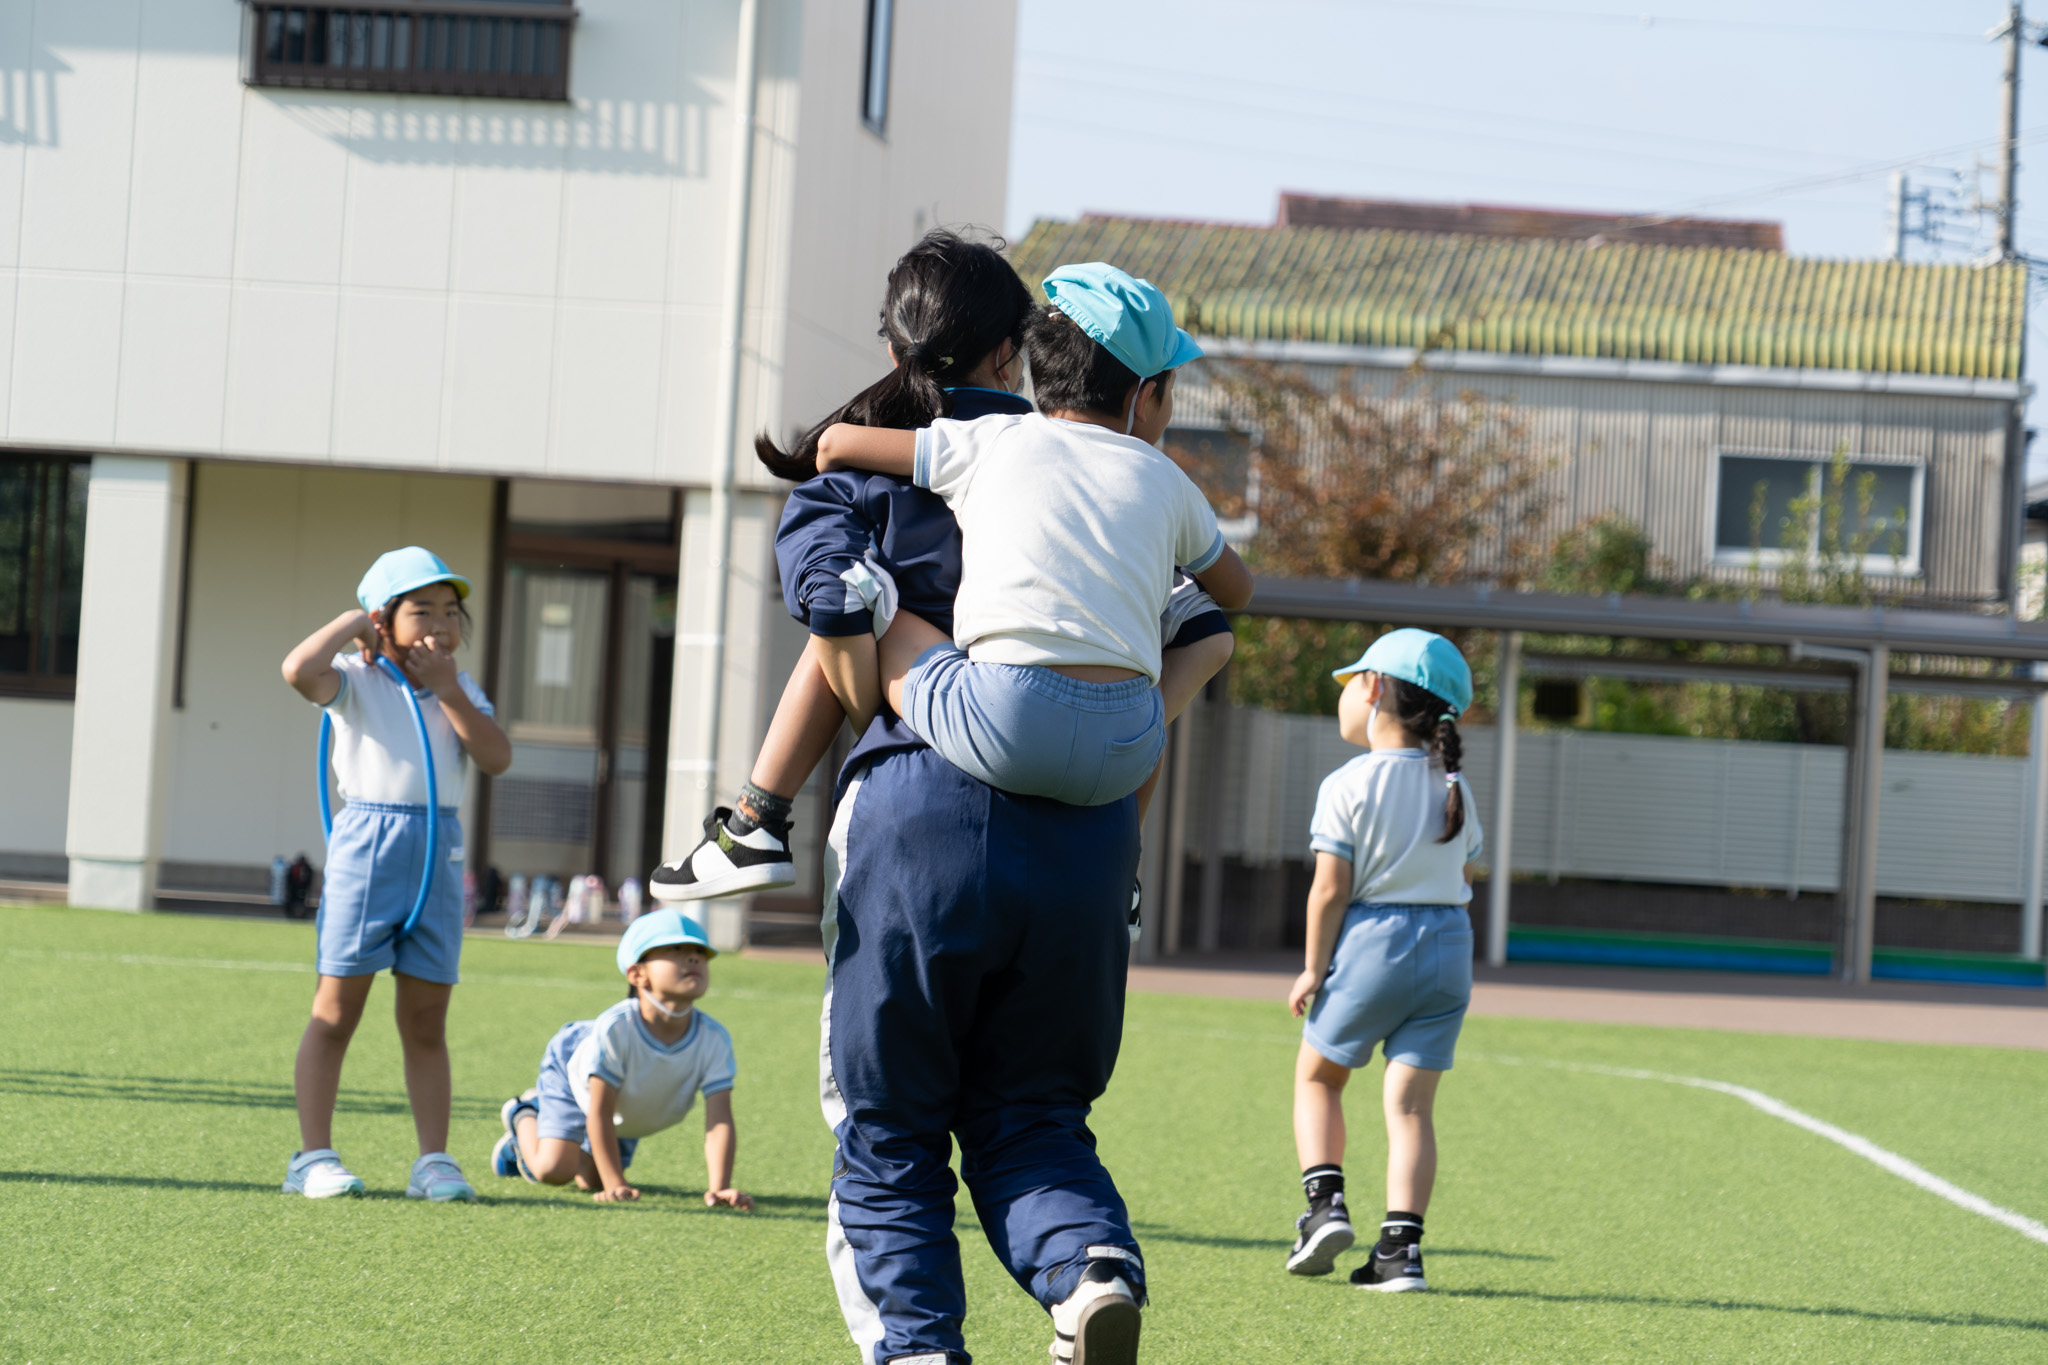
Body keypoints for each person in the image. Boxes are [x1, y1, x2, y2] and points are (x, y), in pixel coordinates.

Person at [651, 241, 1237, 905]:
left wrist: (884, 711)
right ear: (1011, 356)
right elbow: (1206, 627)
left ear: (897, 350)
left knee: (863, 597)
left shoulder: (872, 472)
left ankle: (758, 818)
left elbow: (840, 605)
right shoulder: (1103, 483)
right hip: (1086, 838)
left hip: (919, 797)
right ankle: (1124, 874)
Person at [808, 262, 1253, 809]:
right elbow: (1238, 591)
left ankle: (808, 782)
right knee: (1189, 652)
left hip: (1006, 728)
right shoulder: (1169, 481)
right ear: (1143, 397)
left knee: (877, 599)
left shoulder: (994, 439)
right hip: (1124, 754)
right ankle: (1126, 875)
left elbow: (832, 447)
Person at [278, 547, 512, 1201]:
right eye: (421, 611)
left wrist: (448, 690)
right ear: (383, 621)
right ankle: (313, 1155)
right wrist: (353, 621)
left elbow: (495, 756)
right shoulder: (354, 678)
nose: (440, 624)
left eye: (450, 611)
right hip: (369, 846)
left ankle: (432, 1160)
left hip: (438, 852)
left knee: (427, 1017)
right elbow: (298, 669)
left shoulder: (458, 690)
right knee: (335, 1010)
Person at [1282, 629, 1481, 1293]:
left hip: (1375, 942)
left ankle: (1324, 1206)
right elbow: (1465, 865)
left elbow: (1330, 889)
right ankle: (1401, 1252)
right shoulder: (1455, 785)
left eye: (1349, 684)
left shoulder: (1347, 783)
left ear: (1371, 689)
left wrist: (1313, 967)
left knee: (1318, 1076)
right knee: (1413, 1107)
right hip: (1451, 945)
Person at [491, 909, 751, 1210]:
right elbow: (599, 1111)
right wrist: (617, 1185)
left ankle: (559, 1139)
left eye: (699, 952)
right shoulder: (615, 1029)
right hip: (577, 1083)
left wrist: (719, 1188)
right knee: (555, 1170)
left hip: (626, 1109)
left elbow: (719, 1122)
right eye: (675, 950)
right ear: (636, 974)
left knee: (591, 1182)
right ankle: (524, 1114)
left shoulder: (714, 1038)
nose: (693, 958)